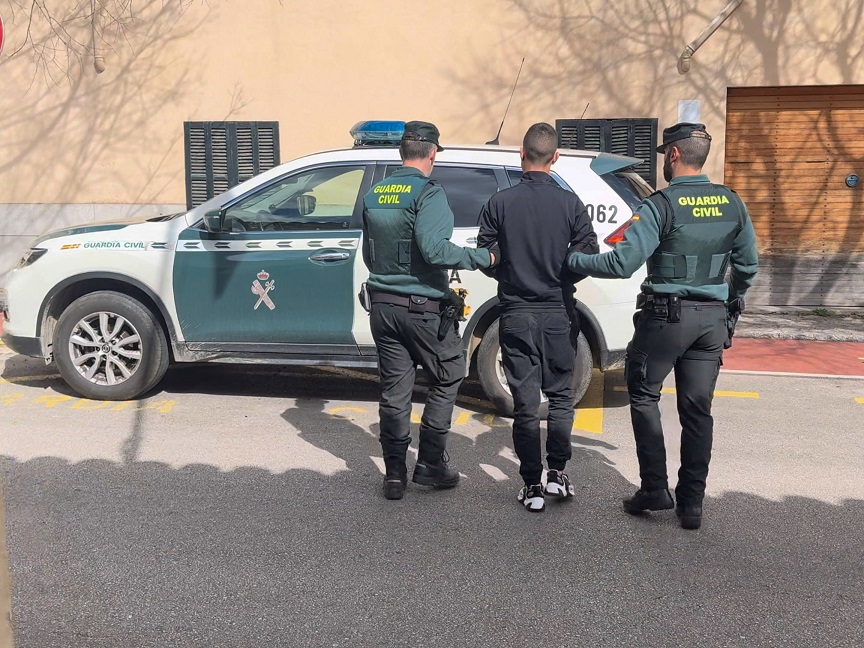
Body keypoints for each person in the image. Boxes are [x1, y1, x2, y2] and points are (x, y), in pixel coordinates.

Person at [567, 122, 758, 529]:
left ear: (673, 154)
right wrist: (730, 300)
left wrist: (574, 261)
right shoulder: (732, 203)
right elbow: (748, 266)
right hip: (711, 320)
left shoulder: (660, 205)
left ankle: (655, 489)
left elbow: (621, 263)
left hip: (665, 319)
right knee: (697, 411)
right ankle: (692, 504)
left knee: (644, 395)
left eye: (662, 155)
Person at [361, 120, 497, 501]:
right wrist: (481, 256)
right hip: (421, 309)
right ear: (433, 153)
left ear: (402, 151)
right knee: (450, 371)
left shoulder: (376, 192)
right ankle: (431, 464)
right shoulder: (429, 193)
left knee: (395, 390)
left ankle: (394, 475)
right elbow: (436, 251)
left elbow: (369, 255)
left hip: (383, 308)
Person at [477, 122, 598, 513]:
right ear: (555, 158)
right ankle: (557, 474)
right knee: (561, 397)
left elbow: (486, 254)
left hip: (515, 313)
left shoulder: (500, 202)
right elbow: (586, 256)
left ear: (521, 155)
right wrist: (562, 277)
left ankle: (531, 484)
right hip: (557, 312)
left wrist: (508, 275)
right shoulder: (570, 203)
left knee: (526, 404)